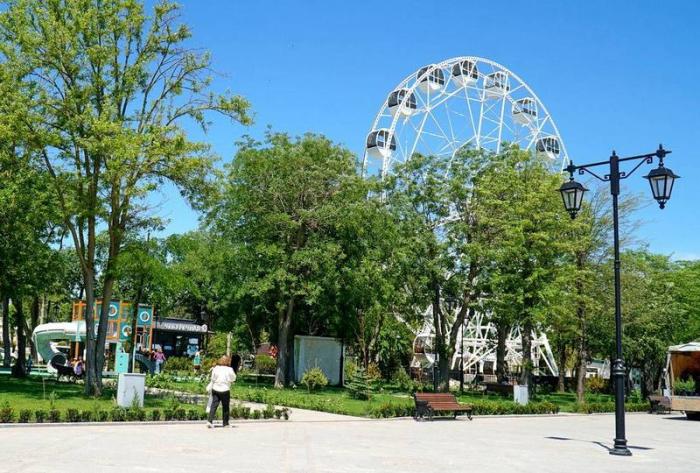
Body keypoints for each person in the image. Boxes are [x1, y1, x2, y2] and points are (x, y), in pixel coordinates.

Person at [207, 355, 236, 428]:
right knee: (225, 407)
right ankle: (225, 423)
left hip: (215, 388)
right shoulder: (230, 369)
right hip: (225, 390)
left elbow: (212, 378)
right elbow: (233, 378)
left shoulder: (216, 368)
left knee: (214, 405)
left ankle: (209, 421)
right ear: (228, 361)